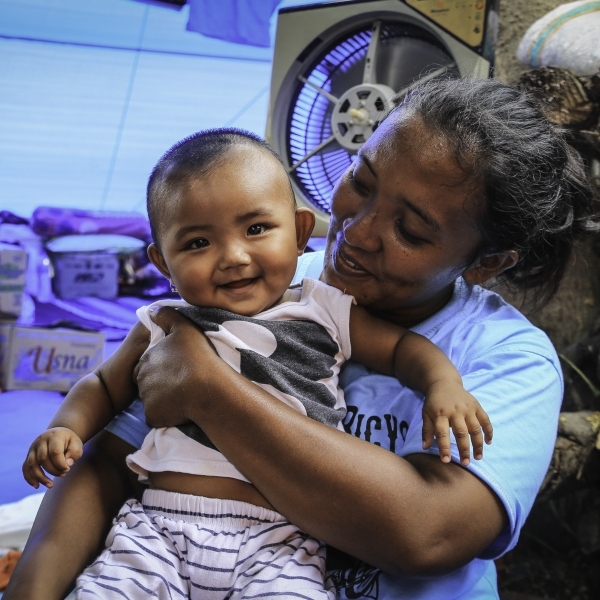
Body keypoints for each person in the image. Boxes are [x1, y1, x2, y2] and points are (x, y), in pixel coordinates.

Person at [5, 77, 598, 600]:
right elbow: (110, 459)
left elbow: (428, 532)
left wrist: (209, 389)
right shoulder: (255, 283)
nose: (359, 233)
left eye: (411, 230)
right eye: (361, 182)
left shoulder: (504, 357)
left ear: (487, 263)